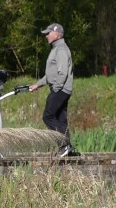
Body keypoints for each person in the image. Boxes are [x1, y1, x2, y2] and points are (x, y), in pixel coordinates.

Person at [29, 22, 79, 157]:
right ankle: (67, 149)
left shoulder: (61, 49)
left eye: (48, 33)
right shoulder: (56, 49)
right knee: (61, 119)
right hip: (61, 88)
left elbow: (62, 73)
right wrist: (38, 84)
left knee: (48, 116)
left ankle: (64, 144)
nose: (46, 36)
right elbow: (51, 74)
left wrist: (55, 89)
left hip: (60, 89)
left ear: (57, 35)